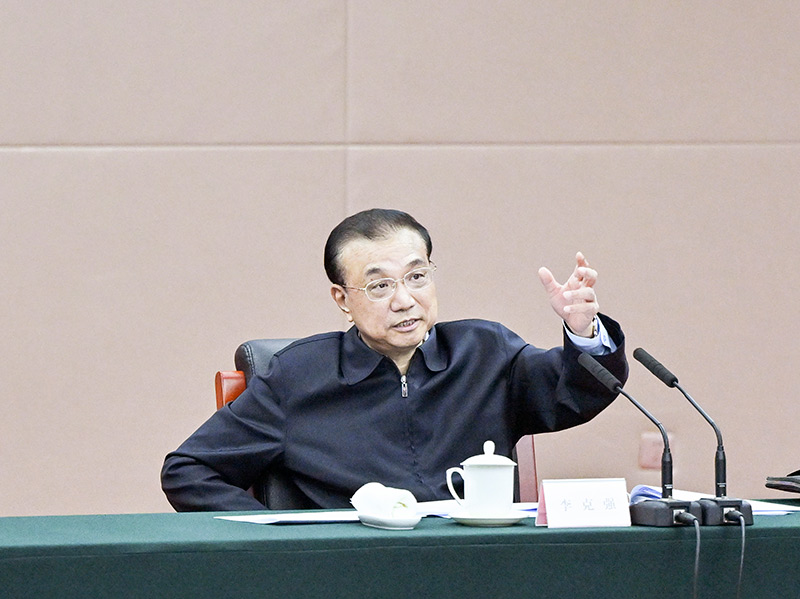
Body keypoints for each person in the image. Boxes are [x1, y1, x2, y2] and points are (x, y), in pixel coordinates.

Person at [161, 208, 628, 511]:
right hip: (354, 574)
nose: (405, 300)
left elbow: (574, 394)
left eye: (417, 277)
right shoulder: (297, 376)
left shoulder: (486, 351)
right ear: (342, 299)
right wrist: (278, 541)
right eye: (380, 285)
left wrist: (583, 331)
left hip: (476, 569)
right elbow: (189, 470)